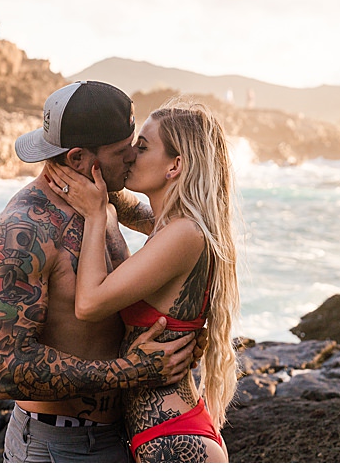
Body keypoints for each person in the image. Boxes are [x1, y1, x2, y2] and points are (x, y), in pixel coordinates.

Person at [0, 80, 201, 463]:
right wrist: (132, 371)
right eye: (121, 151)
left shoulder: (104, 196)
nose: (133, 155)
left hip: (120, 432)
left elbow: (170, 226)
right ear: (79, 158)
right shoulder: (23, 232)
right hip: (56, 447)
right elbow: (5, 370)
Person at [43, 101, 238, 463]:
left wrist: (94, 214)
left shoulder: (183, 234)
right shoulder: (174, 226)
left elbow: (88, 303)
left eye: (143, 146)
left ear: (175, 165)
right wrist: (89, 170)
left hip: (173, 441)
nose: (131, 154)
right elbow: (131, 209)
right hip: (165, 434)